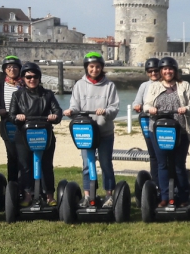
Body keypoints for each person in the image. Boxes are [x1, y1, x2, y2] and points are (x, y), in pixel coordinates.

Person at [64, 53, 120, 208]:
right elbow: (75, 105)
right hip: (86, 132)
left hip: (104, 131)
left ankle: (109, 195)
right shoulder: (79, 85)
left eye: (97, 67)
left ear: (102, 68)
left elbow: (114, 107)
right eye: (91, 67)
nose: (94, 69)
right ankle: (88, 195)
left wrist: (106, 111)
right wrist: (71, 111)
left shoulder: (109, 86)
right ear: (86, 68)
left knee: (105, 163)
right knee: (87, 164)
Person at [144, 56, 190, 207]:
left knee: (179, 164)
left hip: (181, 130)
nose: (167, 72)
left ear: (175, 70)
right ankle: (165, 197)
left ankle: (183, 197)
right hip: (159, 131)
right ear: (161, 71)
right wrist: (150, 109)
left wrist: (186, 109)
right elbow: (146, 105)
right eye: (164, 69)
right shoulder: (154, 86)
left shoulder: (184, 85)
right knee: (163, 164)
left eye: (170, 69)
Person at [8, 62, 62, 206]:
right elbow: (11, 115)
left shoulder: (48, 94)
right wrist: (17, 117)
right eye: (28, 77)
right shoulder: (17, 95)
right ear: (23, 78)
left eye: (35, 76)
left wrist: (54, 116)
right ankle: (27, 195)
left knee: (46, 165)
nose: (32, 79)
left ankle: (49, 195)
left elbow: (58, 111)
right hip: (23, 135)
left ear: (39, 77)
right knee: (25, 166)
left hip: (45, 134)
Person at [0, 56, 23, 183]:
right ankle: (13, 185)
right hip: (8, 124)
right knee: (12, 155)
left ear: (19, 69)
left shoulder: (25, 85)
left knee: (25, 156)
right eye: (9, 67)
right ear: (5, 69)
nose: (12, 69)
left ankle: (27, 185)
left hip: (24, 124)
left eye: (15, 67)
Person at [133, 58, 160, 188]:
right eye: (150, 71)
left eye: (155, 70)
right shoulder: (144, 86)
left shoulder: (165, 84)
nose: (153, 73)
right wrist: (137, 105)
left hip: (162, 122)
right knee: (152, 153)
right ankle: (155, 181)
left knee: (163, 153)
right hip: (147, 120)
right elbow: (137, 101)